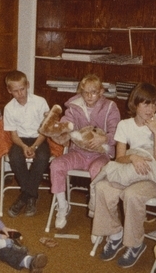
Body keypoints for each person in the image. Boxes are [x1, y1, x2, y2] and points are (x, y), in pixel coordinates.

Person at [90, 82, 156, 268]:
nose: (150, 109)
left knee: (132, 194)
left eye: (154, 104)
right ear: (135, 104)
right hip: (133, 169)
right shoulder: (124, 125)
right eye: (145, 104)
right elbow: (119, 157)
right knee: (102, 186)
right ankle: (115, 235)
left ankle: (136, 244)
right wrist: (133, 157)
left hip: (154, 175)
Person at [50, 74, 120, 229]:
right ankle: (62, 206)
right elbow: (67, 124)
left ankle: (96, 208)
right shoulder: (74, 106)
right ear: (80, 92)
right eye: (85, 92)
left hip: (100, 154)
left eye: (93, 92)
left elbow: (117, 133)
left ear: (101, 92)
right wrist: (61, 128)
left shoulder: (110, 107)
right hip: (79, 152)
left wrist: (104, 139)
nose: (89, 96)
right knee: (56, 165)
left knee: (98, 170)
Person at [3, 70, 51, 217]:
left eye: (22, 89)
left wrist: (34, 146)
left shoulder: (40, 102)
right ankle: (31, 195)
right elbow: (14, 135)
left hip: (39, 138)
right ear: (9, 91)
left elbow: (45, 130)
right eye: (15, 91)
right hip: (21, 140)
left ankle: (24, 196)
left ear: (27, 85)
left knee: (42, 157)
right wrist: (24, 147)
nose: (20, 94)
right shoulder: (9, 108)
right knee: (15, 157)